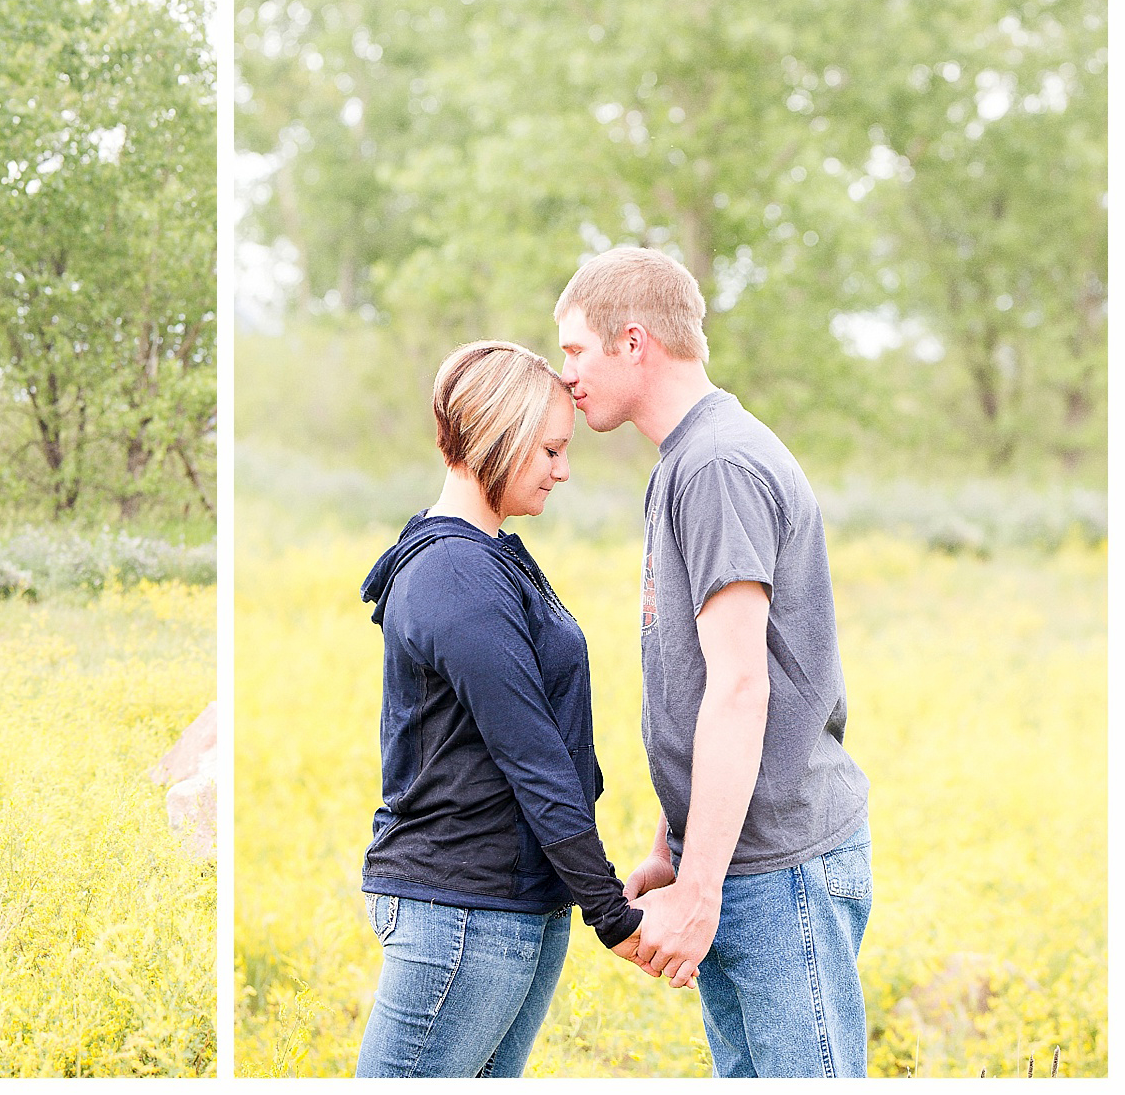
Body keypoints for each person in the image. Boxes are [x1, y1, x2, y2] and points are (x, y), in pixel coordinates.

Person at [554, 246, 873, 1077]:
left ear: (633, 342)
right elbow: (699, 679)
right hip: (736, 856)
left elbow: (740, 687)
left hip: (780, 869)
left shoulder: (717, 464)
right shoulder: (684, 463)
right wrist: (675, 842)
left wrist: (697, 892)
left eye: (575, 350)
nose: (567, 376)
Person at [354, 340, 650, 1079]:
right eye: (550, 449)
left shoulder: (490, 556)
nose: (564, 469)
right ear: (502, 436)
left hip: (512, 906)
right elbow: (535, 759)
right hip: (462, 912)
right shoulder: (455, 572)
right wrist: (609, 912)